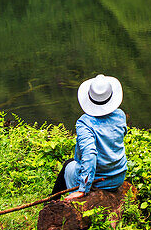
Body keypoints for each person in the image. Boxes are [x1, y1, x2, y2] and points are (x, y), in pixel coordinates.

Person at [51, 74, 127, 202]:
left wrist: (82, 188)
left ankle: (51, 201)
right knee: (70, 163)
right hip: (118, 177)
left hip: (99, 181)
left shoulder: (85, 123)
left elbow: (90, 154)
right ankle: (52, 201)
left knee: (68, 166)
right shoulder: (120, 115)